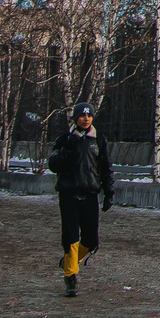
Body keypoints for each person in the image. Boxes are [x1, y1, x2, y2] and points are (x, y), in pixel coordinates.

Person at [45, 105, 113, 298]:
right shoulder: (64, 140)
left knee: (91, 241)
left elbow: (106, 168)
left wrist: (109, 192)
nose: (86, 118)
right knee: (70, 237)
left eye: (89, 115)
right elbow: (54, 164)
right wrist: (70, 145)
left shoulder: (99, 140)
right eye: (82, 115)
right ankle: (71, 277)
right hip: (68, 196)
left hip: (90, 195)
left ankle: (70, 261)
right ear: (75, 118)